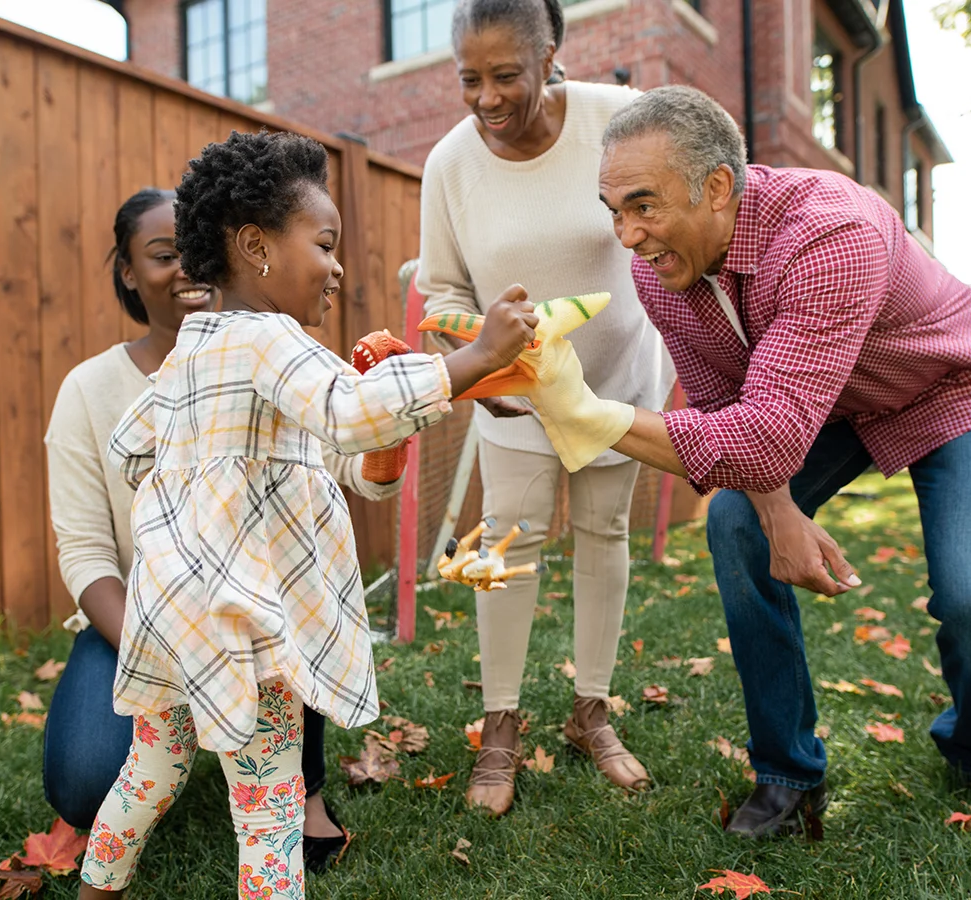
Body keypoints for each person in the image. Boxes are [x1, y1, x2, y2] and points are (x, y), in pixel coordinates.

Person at [522, 85, 971, 836]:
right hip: (828, 403)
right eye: (614, 210)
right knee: (736, 523)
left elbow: (763, 437)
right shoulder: (661, 270)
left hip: (952, 388)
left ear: (719, 187)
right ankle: (787, 771)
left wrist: (591, 416)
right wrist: (779, 512)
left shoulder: (831, 233)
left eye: (644, 205)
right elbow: (728, 414)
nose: (627, 236)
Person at [75, 131, 537, 898]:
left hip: (173, 620)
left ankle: (96, 891)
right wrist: (474, 360)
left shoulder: (193, 350)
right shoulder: (269, 340)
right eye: (324, 243)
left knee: (150, 770)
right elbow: (351, 412)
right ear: (256, 247)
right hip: (243, 626)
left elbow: (133, 447)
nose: (337, 265)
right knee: (270, 812)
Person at [43, 188, 411, 872]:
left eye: (194, 248)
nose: (184, 266)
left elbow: (355, 456)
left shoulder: (272, 358)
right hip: (141, 619)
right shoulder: (94, 387)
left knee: (283, 634)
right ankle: (241, 770)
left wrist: (384, 444)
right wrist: (175, 652)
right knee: (88, 779)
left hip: (255, 615)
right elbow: (86, 551)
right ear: (127, 271)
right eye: (162, 255)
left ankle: (303, 793)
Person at [417, 0, 668, 816]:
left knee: (605, 533)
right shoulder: (449, 164)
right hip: (512, 402)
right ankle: (499, 725)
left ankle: (590, 711)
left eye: (506, 76)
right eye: (469, 79)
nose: (487, 97)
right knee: (507, 549)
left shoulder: (619, 121)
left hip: (616, 388)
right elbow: (442, 289)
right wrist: (480, 358)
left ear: (550, 55)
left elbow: (662, 230)